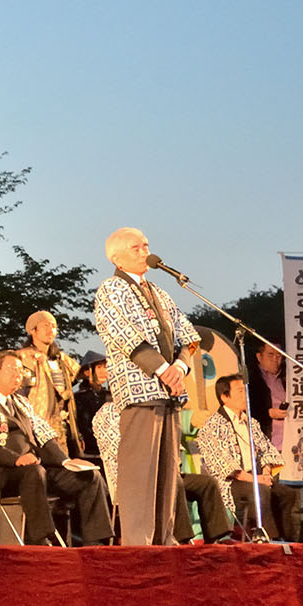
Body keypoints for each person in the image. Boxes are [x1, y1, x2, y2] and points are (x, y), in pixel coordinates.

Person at [93, 227, 200, 545]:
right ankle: (138, 543)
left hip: (170, 392)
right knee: (140, 471)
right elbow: (122, 335)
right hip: (140, 391)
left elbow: (189, 335)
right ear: (116, 257)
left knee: (168, 473)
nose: (144, 251)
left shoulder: (160, 292)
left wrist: (180, 366)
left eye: (146, 246)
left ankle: (163, 540)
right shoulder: (111, 288)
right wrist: (163, 368)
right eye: (135, 247)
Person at [0, 350, 111, 546]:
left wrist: (66, 461)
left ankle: (96, 541)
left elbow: (44, 435)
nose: (17, 375)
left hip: (35, 467)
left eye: (20, 371)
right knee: (34, 472)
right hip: (1, 472)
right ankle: (40, 537)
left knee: (89, 476)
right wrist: (16, 459)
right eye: (11, 370)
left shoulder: (22, 403)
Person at [93, 399, 236, 544]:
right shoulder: (107, 413)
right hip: (134, 476)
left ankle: (216, 537)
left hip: (163, 469)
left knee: (207, 483)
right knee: (174, 482)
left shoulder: (146, 408)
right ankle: (181, 539)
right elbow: (121, 449)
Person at [197, 374, 301, 540]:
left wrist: (266, 473)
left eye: (245, 390)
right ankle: (268, 539)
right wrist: (257, 480)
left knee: (287, 494)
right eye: (239, 391)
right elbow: (225, 467)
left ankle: (288, 540)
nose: (245, 395)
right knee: (260, 491)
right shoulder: (212, 427)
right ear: (225, 397)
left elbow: (267, 451)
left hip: (256, 476)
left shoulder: (251, 423)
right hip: (231, 482)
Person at [14, 310, 83, 456]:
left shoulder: (61, 359)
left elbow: (76, 378)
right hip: (38, 422)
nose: (50, 330)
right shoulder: (24, 357)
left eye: (53, 326)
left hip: (62, 423)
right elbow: (19, 394)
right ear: (33, 330)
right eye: (45, 325)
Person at [249, 345, 289, 451]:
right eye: (270, 355)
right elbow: (246, 410)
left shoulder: (287, 378)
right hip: (267, 442)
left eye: (279, 355)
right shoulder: (251, 380)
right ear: (259, 357)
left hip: (290, 440)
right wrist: (268, 413)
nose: (275, 359)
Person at [73, 351, 110, 456]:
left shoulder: (110, 396)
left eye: (105, 367)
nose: (104, 372)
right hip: (89, 452)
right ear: (87, 372)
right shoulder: (79, 398)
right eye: (99, 367)